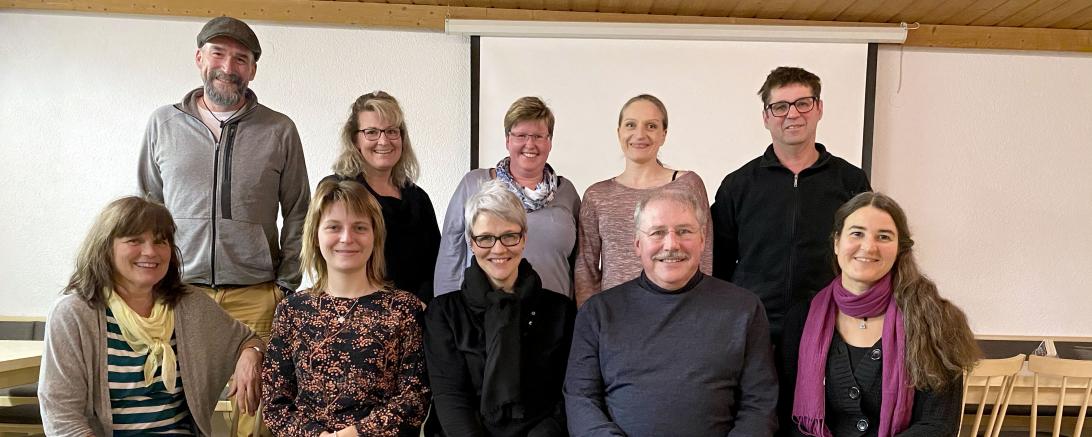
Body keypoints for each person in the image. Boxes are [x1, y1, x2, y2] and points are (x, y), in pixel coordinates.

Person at [137, 18, 308, 433]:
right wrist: (149, 283)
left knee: (256, 413)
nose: (228, 67)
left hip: (256, 295)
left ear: (252, 69)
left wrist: (284, 285)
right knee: (175, 403)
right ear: (200, 59)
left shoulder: (279, 129)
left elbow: (300, 211)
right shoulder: (163, 124)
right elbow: (147, 209)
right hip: (180, 293)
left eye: (241, 58)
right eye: (218, 54)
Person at [39, 196, 263, 436]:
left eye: (160, 242)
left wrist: (251, 354)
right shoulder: (73, 313)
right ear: (105, 247)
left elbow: (247, 339)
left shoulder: (190, 304)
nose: (150, 252)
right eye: (135, 240)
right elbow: (63, 417)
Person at [565, 188, 778, 437]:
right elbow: (581, 399)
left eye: (684, 231)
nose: (671, 244)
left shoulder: (744, 309)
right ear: (637, 244)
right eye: (657, 232)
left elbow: (760, 404)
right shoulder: (598, 312)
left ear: (702, 240)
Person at [778, 192, 979, 437]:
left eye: (883, 236)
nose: (869, 246)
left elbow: (937, 425)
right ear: (836, 242)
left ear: (899, 249)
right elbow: (787, 415)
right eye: (857, 233)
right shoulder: (801, 319)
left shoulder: (936, 320)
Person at [711, 66, 871, 343]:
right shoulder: (737, 185)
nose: (793, 114)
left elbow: (865, 255)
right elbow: (718, 263)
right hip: (753, 330)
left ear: (819, 108)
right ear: (766, 117)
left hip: (830, 328)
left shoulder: (850, 181)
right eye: (780, 106)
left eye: (803, 103)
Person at [262, 179, 429, 437]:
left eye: (360, 227)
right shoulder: (291, 311)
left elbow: (414, 399)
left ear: (375, 236)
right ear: (316, 236)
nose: (346, 238)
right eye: (334, 227)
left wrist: (350, 435)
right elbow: (275, 404)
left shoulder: (404, 309)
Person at [425, 180, 576, 437]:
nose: (499, 249)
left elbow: (564, 398)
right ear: (471, 242)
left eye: (509, 236)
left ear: (524, 238)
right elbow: (451, 399)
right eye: (485, 238)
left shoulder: (560, 311)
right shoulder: (443, 313)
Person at [574, 94, 712, 307]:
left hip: (679, 310)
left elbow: (704, 255)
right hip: (616, 315)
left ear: (664, 134)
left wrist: (700, 312)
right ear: (619, 132)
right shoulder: (597, 196)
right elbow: (586, 268)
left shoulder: (687, 185)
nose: (640, 134)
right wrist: (590, 320)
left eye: (651, 126)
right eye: (630, 125)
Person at [435, 96, 580, 299]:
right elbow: (451, 255)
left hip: (552, 320)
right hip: (480, 318)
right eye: (521, 135)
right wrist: (446, 310)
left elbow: (579, 264)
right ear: (507, 140)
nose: (530, 144)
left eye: (538, 136)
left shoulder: (567, 192)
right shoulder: (474, 184)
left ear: (549, 142)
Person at [322, 91, 441, 304]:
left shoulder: (418, 198)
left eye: (392, 131)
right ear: (355, 139)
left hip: (416, 315)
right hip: (357, 311)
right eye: (372, 132)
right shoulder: (339, 191)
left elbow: (435, 266)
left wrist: (419, 308)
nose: (384, 141)